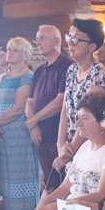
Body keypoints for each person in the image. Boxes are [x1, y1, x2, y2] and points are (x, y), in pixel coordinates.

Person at [0, 37, 40, 210]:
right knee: (8, 179)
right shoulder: (4, 76)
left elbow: (18, 109)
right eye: (9, 49)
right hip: (5, 133)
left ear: (25, 55)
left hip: (19, 133)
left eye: (15, 50)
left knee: (23, 177)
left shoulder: (27, 77)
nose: (9, 53)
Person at [56, 18, 105, 172]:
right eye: (69, 37)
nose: (70, 43)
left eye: (76, 39)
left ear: (92, 46)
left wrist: (71, 148)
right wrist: (60, 143)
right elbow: (65, 108)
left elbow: (88, 117)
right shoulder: (71, 70)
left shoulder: (98, 74)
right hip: (70, 146)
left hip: (89, 145)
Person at [26, 25, 73, 190]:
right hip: (40, 135)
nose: (38, 43)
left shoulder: (67, 66)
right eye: (37, 39)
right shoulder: (40, 70)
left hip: (58, 135)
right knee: (49, 182)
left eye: (42, 38)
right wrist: (34, 127)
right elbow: (29, 102)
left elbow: (60, 101)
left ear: (56, 41)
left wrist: (33, 121)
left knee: (63, 182)